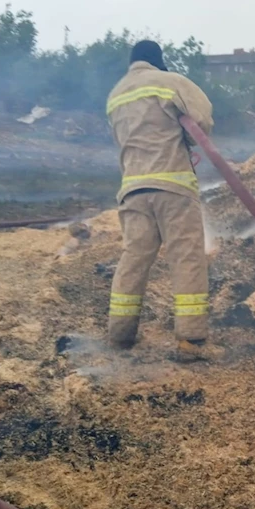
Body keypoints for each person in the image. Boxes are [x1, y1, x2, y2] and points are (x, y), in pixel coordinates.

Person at [105, 40, 214, 359]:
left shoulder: (115, 95)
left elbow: (121, 140)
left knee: (133, 258)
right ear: (158, 61)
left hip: (132, 190)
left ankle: (121, 335)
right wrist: (187, 139)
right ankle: (190, 341)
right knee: (187, 256)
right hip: (172, 186)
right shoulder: (171, 83)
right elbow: (202, 122)